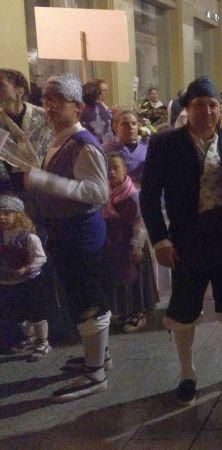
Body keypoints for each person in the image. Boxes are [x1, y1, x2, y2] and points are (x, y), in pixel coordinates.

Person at [140, 76, 222, 405]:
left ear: (220, 109)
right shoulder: (165, 144)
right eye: (198, 105)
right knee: (184, 308)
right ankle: (187, 372)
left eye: (212, 105)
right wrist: (160, 240)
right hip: (187, 240)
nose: (206, 111)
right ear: (187, 109)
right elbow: (149, 197)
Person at [13, 73, 111, 401]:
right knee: (82, 296)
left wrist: (44, 182)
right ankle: (98, 357)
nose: (49, 107)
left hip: (81, 233)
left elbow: (98, 192)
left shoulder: (84, 144)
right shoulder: (57, 138)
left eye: (58, 101)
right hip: (65, 232)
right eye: (46, 100)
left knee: (88, 301)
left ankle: (96, 373)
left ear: (78, 107)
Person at [102, 153, 147, 332]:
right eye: (108, 169)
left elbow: (139, 222)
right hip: (112, 241)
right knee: (117, 277)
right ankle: (121, 311)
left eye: (115, 168)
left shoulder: (132, 194)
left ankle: (137, 314)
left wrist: (136, 246)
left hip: (129, 242)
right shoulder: (105, 191)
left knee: (131, 277)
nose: (111, 172)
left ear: (125, 170)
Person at [0, 195, 48, 360]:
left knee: (35, 311)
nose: (2, 217)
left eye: (8, 213)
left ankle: (43, 341)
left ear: (19, 215)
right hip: (7, 281)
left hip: (28, 281)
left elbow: (41, 258)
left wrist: (27, 268)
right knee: (17, 312)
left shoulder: (28, 237)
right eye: (0, 213)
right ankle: (29, 337)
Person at [0, 69, 51, 191]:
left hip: (42, 186)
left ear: (20, 90)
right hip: (7, 189)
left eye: (1, 86)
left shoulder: (44, 117)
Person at [102, 110, 148, 184]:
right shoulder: (107, 149)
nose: (130, 127)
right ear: (115, 127)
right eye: (125, 124)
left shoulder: (146, 149)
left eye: (134, 123)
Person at [80, 78, 113, 143]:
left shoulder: (83, 111)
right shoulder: (101, 111)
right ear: (97, 92)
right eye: (104, 90)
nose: (107, 93)